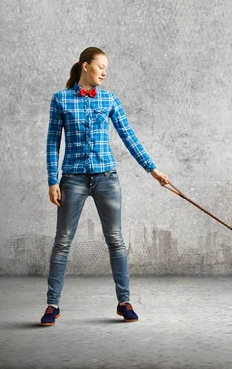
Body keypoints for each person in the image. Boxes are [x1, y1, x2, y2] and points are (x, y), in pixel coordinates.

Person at [40, 46, 170, 326]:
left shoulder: (110, 99)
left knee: (116, 240)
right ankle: (52, 305)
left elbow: (128, 136)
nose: (105, 72)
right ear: (85, 66)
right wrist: (53, 180)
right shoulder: (61, 99)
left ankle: (124, 302)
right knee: (62, 242)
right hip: (72, 179)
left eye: (107, 68)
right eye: (101, 67)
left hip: (106, 178)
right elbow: (53, 142)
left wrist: (152, 170)